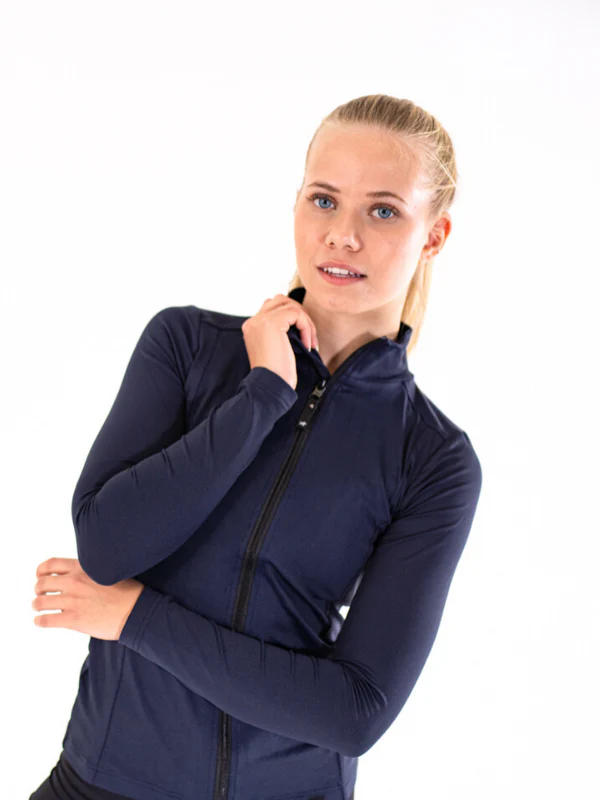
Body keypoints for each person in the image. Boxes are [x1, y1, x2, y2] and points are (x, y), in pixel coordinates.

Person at [29, 93, 483, 800]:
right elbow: (106, 547)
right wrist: (262, 395)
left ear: (434, 236)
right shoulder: (187, 347)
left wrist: (136, 618)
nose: (342, 236)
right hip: (97, 784)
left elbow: (354, 711)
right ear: (297, 203)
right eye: (324, 200)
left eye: (383, 211)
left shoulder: (432, 459)